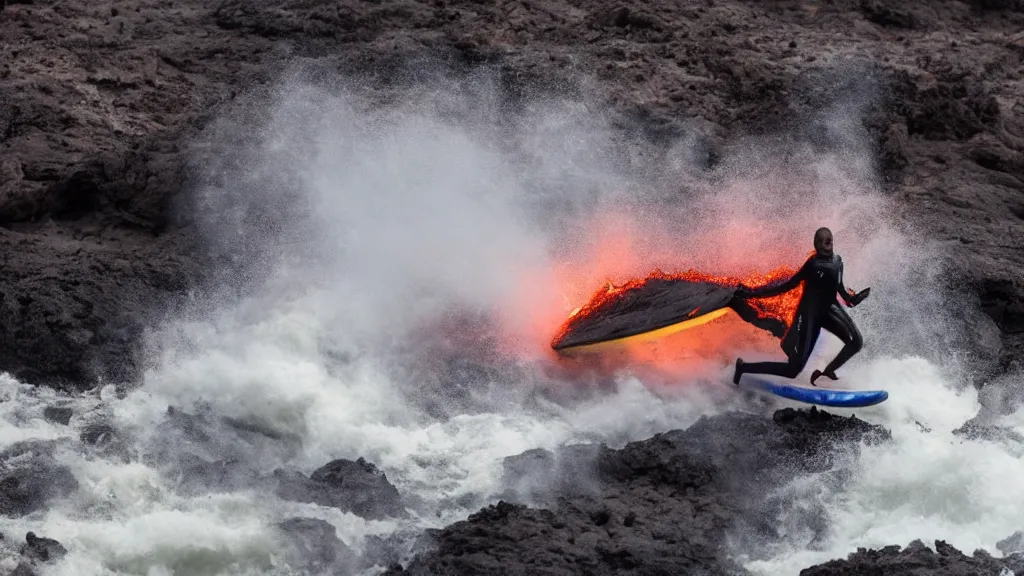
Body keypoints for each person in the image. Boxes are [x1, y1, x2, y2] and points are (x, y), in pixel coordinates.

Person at [731, 227, 870, 386]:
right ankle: (743, 368)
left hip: (830, 310)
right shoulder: (812, 265)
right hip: (810, 315)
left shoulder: (838, 262)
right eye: (822, 242)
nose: (827, 245)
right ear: (816, 245)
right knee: (793, 370)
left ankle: (828, 371)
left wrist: (855, 299)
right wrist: (752, 294)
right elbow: (785, 287)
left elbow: (843, 294)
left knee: (856, 341)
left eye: (829, 241)